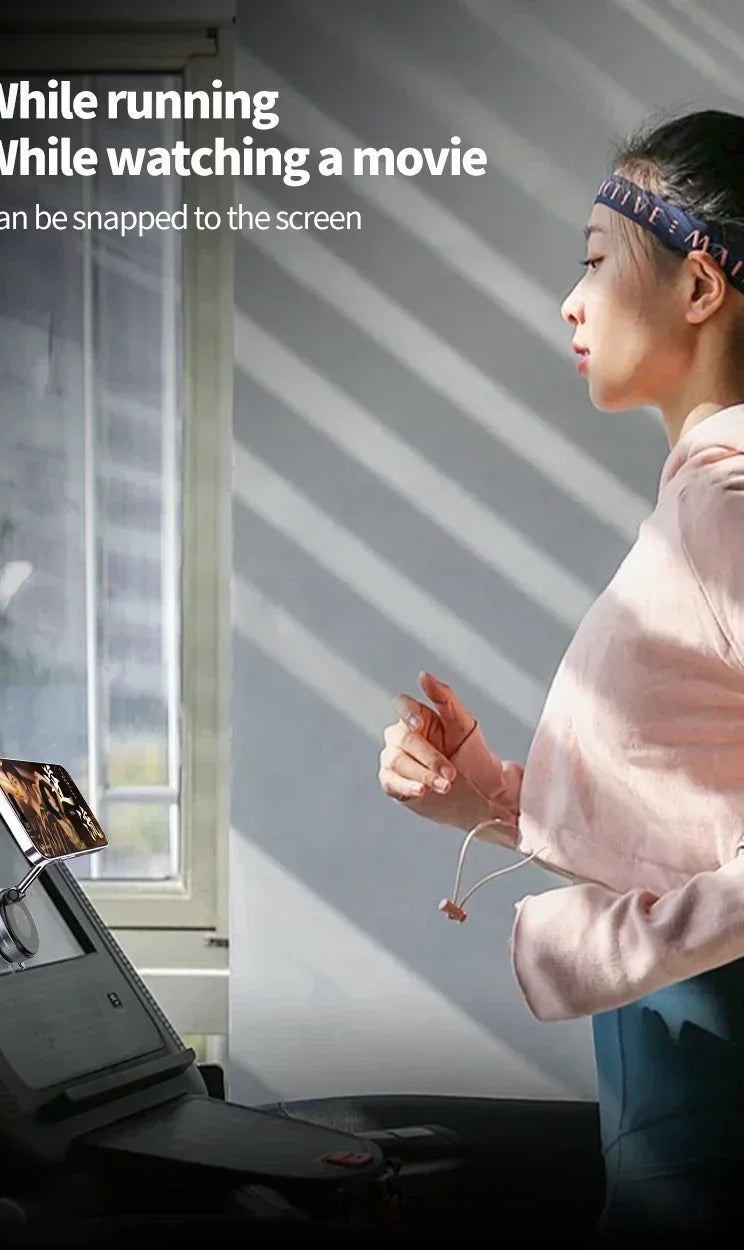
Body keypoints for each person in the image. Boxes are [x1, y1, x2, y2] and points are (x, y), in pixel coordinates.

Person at [378, 109, 744, 1235]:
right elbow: (699, 797)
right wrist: (486, 787)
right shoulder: (701, 500)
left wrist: (598, 942)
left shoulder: (728, 508)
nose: (568, 301)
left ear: (696, 287)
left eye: (593, 261)